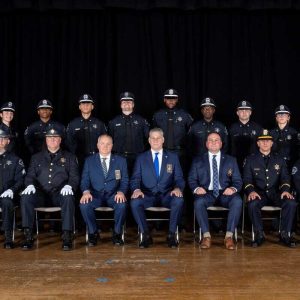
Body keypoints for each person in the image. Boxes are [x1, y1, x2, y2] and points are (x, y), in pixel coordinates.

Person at [20, 128, 80, 251]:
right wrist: (30, 184)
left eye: (55, 138)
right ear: (46, 140)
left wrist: (70, 186)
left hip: (60, 194)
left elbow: (74, 177)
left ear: (60, 140)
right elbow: (30, 176)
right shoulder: (36, 157)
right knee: (26, 197)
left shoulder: (70, 157)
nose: (52, 140)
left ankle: (67, 236)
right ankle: (28, 235)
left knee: (69, 197)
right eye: (49, 138)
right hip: (41, 195)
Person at [130, 128, 185, 248]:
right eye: (153, 138)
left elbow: (179, 178)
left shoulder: (172, 157)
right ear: (149, 140)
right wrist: (137, 189)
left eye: (158, 138)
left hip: (167, 195)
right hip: (147, 195)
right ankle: (145, 235)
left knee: (179, 200)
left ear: (163, 140)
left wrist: (177, 188)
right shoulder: (141, 158)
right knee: (135, 203)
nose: (155, 140)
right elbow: (135, 179)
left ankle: (171, 234)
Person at [188, 132, 242, 250]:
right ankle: (206, 236)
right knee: (198, 202)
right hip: (206, 193)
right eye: (210, 140)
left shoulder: (231, 160)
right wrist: (197, 188)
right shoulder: (198, 160)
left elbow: (238, 181)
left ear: (221, 144)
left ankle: (229, 237)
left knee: (237, 201)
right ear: (206, 144)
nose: (213, 142)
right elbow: (191, 179)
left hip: (225, 193)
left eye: (216, 140)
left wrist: (232, 189)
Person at [243, 129, 297, 248]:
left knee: (291, 203)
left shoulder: (279, 159)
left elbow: (285, 179)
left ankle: (284, 234)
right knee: (252, 204)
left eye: (268, 141)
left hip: (276, 193)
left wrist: (285, 191)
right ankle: (259, 234)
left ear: (272, 143)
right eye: (262, 141)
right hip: (258, 193)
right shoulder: (250, 160)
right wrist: (251, 191)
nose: (265, 143)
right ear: (258, 143)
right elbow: (247, 179)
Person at [80, 134, 128, 246]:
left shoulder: (121, 161)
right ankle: (93, 233)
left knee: (122, 205)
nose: (105, 146)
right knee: (84, 205)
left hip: (113, 195)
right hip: (95, 195)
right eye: (102, 143)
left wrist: (121, 192)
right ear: (97, 145)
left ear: (112, 146)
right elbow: (84, 180)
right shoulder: (89, 161)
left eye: (108, 144)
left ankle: (117, 233)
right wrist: (86, 192)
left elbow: (125, 180)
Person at [108, 92, 149, 173]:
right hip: (119, 156)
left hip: (137, 156)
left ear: (133, 104)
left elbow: (148, 138)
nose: (126, 103)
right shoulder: (113, 122)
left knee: (137, 179)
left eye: (129, 102)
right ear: (120, 105)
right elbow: (109, 139)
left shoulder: (141, 121)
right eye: (124, 102)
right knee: (120, 180)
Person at [66, 94, 107, 169]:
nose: (85, 106)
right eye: (83, 104)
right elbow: (68, 142)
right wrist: (74, 156)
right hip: (78, 159)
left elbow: (105, 141)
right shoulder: (73, 124)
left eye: (88, 104)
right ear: (79, 107)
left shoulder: (99, 124)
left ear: (92, 107)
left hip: (96, 158)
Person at [0, 129, 25, 248]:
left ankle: (8, 237)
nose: (0, 141)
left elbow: (20, 179)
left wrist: (12, 190)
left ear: (8, 141)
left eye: (3, 139)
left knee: (6, 202)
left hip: (8, 195)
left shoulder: (15, 160)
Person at [152, 88, 193, 158]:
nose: (171, 101)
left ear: (177, 100)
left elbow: (191, 134)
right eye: (168, 98)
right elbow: (153, 133)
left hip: (180, 152)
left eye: (173, 98)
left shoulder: (185, 115)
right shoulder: (157, 115)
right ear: (164, 99)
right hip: (162, 151)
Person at [229, 100, 262, 169]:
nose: (244, 113)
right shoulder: (232, 128)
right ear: (237, 113)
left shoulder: (258, 128)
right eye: (241, 110)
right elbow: (227, 146)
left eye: (247, 110)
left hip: (254, 162)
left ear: (250, 112)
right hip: (235, 162)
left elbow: (262, 146)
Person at [270, 105, 299, 170]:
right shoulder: (270, 133)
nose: (281, 116)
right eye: (279, 115)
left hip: (290, 164)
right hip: (274, 164)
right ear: (276, 118)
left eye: (284, 114)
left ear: (288, 117)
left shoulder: (294, 133)